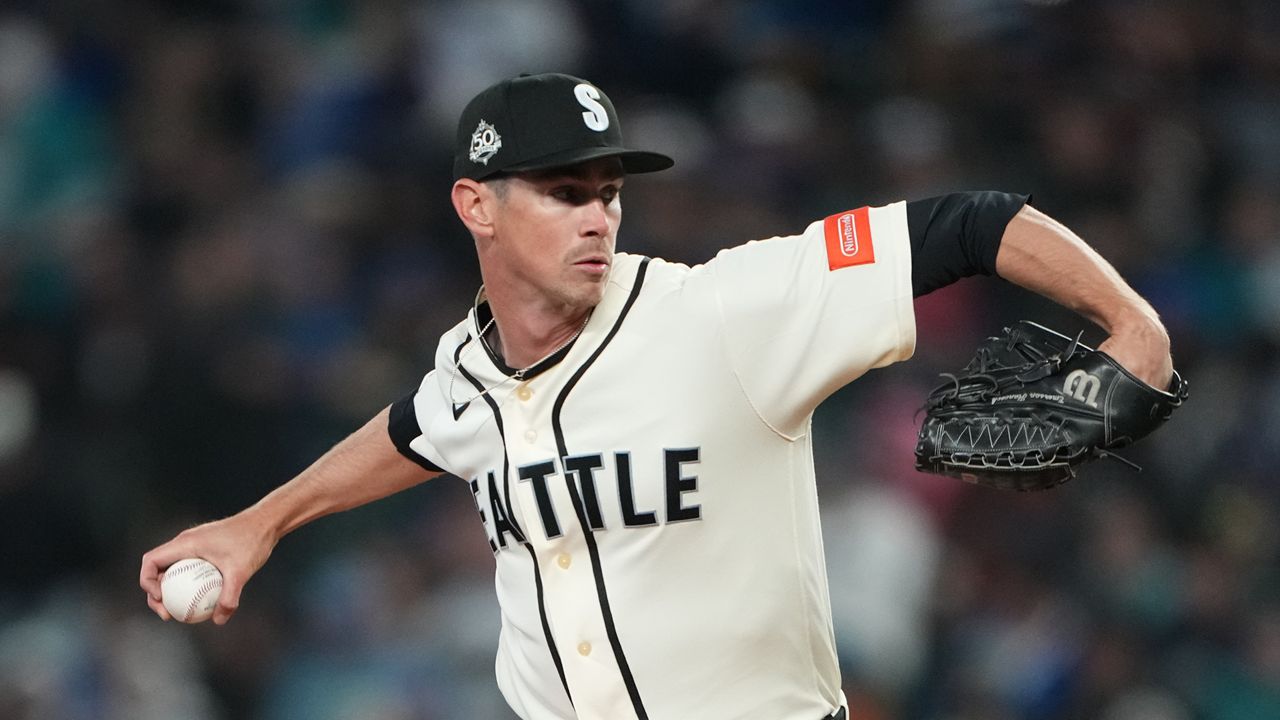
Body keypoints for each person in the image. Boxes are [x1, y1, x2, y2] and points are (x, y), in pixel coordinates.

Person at [139, 72, 1174, 720]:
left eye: (607, 192)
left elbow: (965, 222)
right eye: (562, 193)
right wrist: (258, 525)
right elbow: (421, 425)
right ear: (475, 206)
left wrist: (1131, 326)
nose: (597, 218)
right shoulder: (472, 366)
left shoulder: (724, 311)